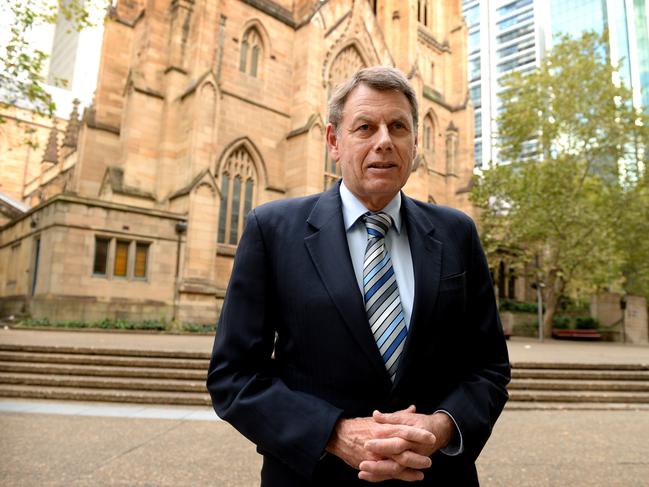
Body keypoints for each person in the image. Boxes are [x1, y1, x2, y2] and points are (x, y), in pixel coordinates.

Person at [206, 66, 510, 486]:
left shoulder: (457, 233)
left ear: (415, 144)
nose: (384, 141)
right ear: (334, 141)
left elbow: (488, 367)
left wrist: (441, 427)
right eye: (365, 127)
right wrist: (333, 433)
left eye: (398, 127)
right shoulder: (272, 230)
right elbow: (233, 375)